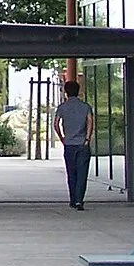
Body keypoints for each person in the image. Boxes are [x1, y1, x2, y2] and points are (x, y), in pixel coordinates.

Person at [53, 79, 94, 210]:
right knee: (82, 173)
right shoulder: (85, 107)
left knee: (71, 173)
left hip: (69, 144)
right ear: (78, 91)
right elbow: (90, 121)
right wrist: (87, 138)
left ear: (66, 92)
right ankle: (79, 200)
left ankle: (72, 199)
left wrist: (62, 138)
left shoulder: (62, 107)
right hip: (82, 143)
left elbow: (56, 124)